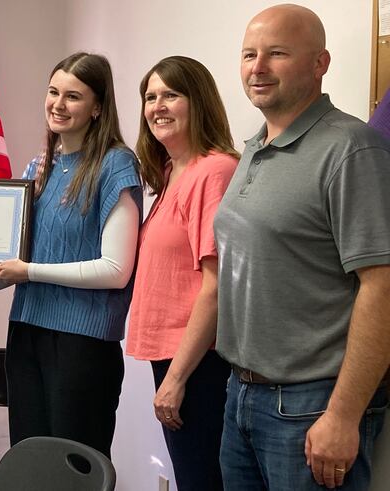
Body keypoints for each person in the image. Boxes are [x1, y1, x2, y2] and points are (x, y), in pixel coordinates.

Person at [0, 52, 142, 458]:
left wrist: (30, 271)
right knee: (32, 458)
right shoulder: (38, 168)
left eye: (73, 96)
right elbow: (8, 267)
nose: (58, 104)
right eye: (53, 92)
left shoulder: (116, 164)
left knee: (72, 464)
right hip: (27, 332)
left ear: (97, 107)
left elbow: (115, 270)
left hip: (83, 342)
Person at [214, 4, 390, 490]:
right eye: (249, 54)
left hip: (313, 405)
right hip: (241, 394)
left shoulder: (351, 149)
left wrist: (342, 414)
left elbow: (383, 288)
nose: (258, 67)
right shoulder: (253, 146)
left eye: (277, 53)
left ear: (320, 63)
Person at [126, 56, 238, 491]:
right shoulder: (172, 171)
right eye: (150, 97)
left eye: (170, 94)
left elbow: (216, 286)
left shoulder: (215, 171)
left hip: (199, 363)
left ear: (199, 101)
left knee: (202, 481)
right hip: (172, 355)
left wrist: (175, 380)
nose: (157, 106)